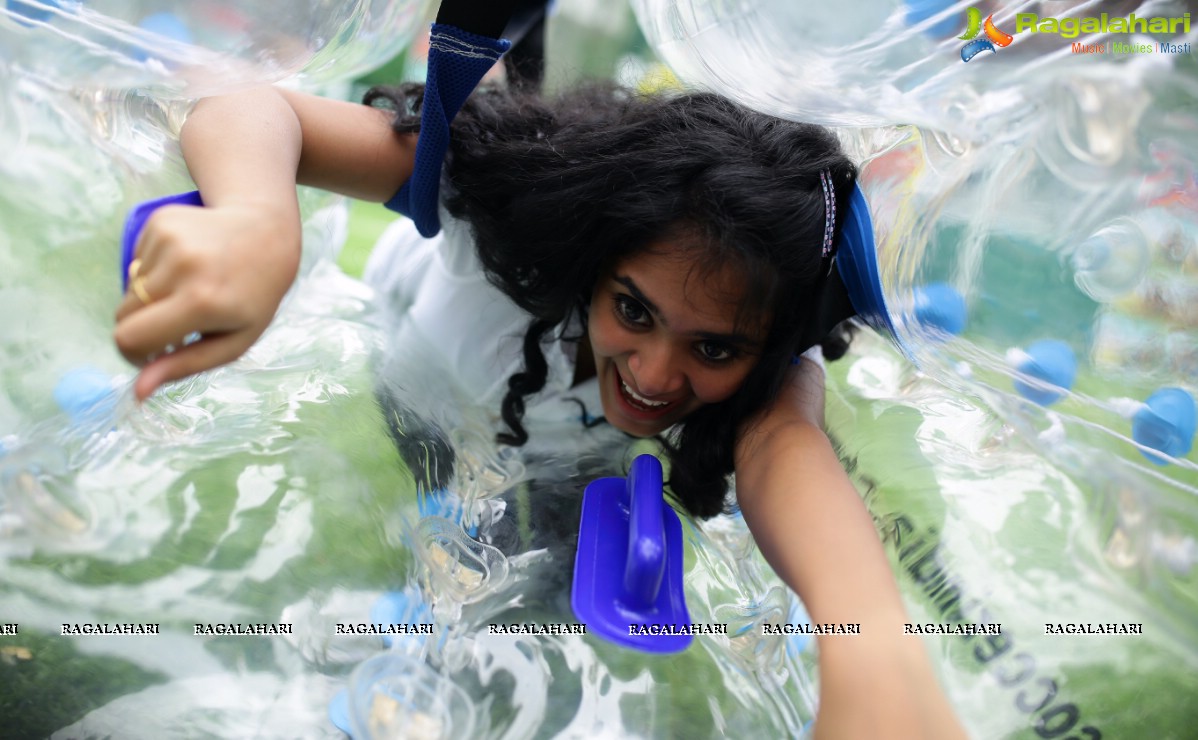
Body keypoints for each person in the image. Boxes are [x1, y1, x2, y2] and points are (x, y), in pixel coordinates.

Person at [112, 77, 966, 738]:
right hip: (434, 384)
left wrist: (874, 651)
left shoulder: (766, 348)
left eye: (714, 349)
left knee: (549, 562)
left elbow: (787, 449)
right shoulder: (502, 211)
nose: (658, 377)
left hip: (569, 437)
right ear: (594, 251)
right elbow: (252, 108)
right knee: (450, 501)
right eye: (633, 308)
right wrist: (261, 218)